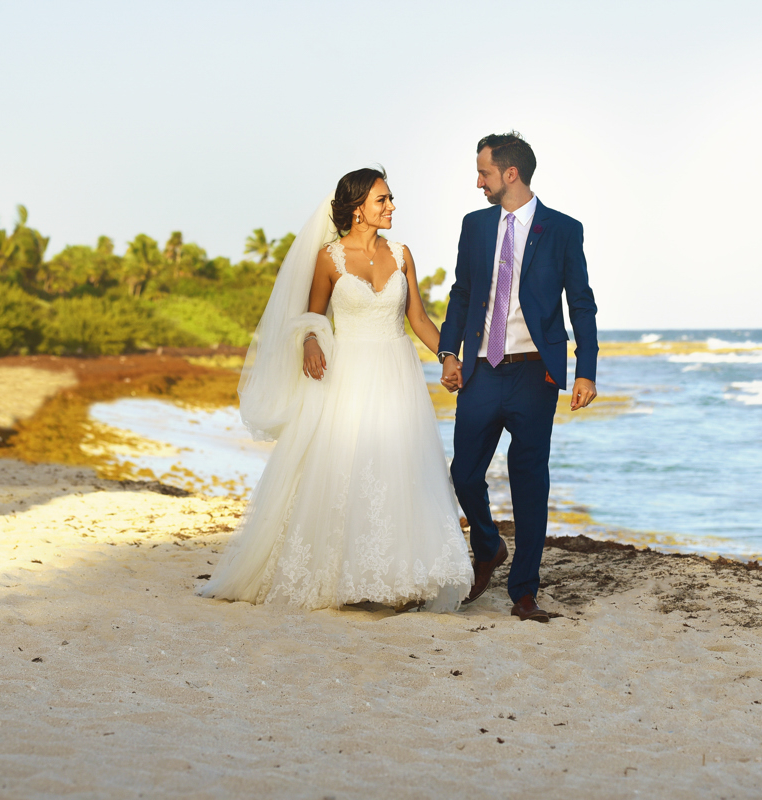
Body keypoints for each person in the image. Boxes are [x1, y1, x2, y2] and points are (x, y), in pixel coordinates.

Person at [199, 168, 472, 612]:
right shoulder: (329, 257)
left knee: (400, 469)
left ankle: (399, 576)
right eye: (383, 200)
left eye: (390, 199)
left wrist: (448, 356)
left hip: (396, 374)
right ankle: (347, 577)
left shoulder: (402, 254)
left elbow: (418, 318)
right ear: (358, 207)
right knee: (350, 469)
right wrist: (310, 342)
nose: (392, 207)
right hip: (348, 376)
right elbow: (312, 316)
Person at [438, 132, 599, 623]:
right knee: (463, 474)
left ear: (510, 173)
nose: (478, 181)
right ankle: (488, 548)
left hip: (535, 375)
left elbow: (581, 303)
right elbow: (462, 292)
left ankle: (523, 593)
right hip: (482, 372)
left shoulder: (564, 230)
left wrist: (586, 371)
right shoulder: (475, 225)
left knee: (530, 483)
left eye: (484, 172)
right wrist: (449, 352)